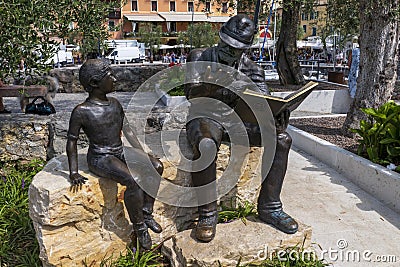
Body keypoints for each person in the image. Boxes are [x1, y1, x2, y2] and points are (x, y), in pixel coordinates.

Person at [184, 14, 298, 242]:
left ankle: (270, 207)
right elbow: (191, 93)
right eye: (225, 44)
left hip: (238, 122)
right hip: (205, 117)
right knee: (206, 145)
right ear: (220, 38)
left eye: (235, 48)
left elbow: (264, 99)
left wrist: (277, 112)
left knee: (282, 139)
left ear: (245, 49)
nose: (228, 50)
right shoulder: (200, 57)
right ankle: (207, 214)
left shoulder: (253, 70)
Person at [66, 59, 163, 250]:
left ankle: (146, 212)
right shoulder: (81, 111)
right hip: (100, 157)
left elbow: (128, 131)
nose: (115, 79)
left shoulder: (115, 104)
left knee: (156, 166)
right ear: (95, 83)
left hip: (118, 150)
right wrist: (73, 172)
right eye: (109, 75)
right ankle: (140, 228)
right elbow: (72, 142)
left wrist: (143, 154)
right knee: (132, 180)